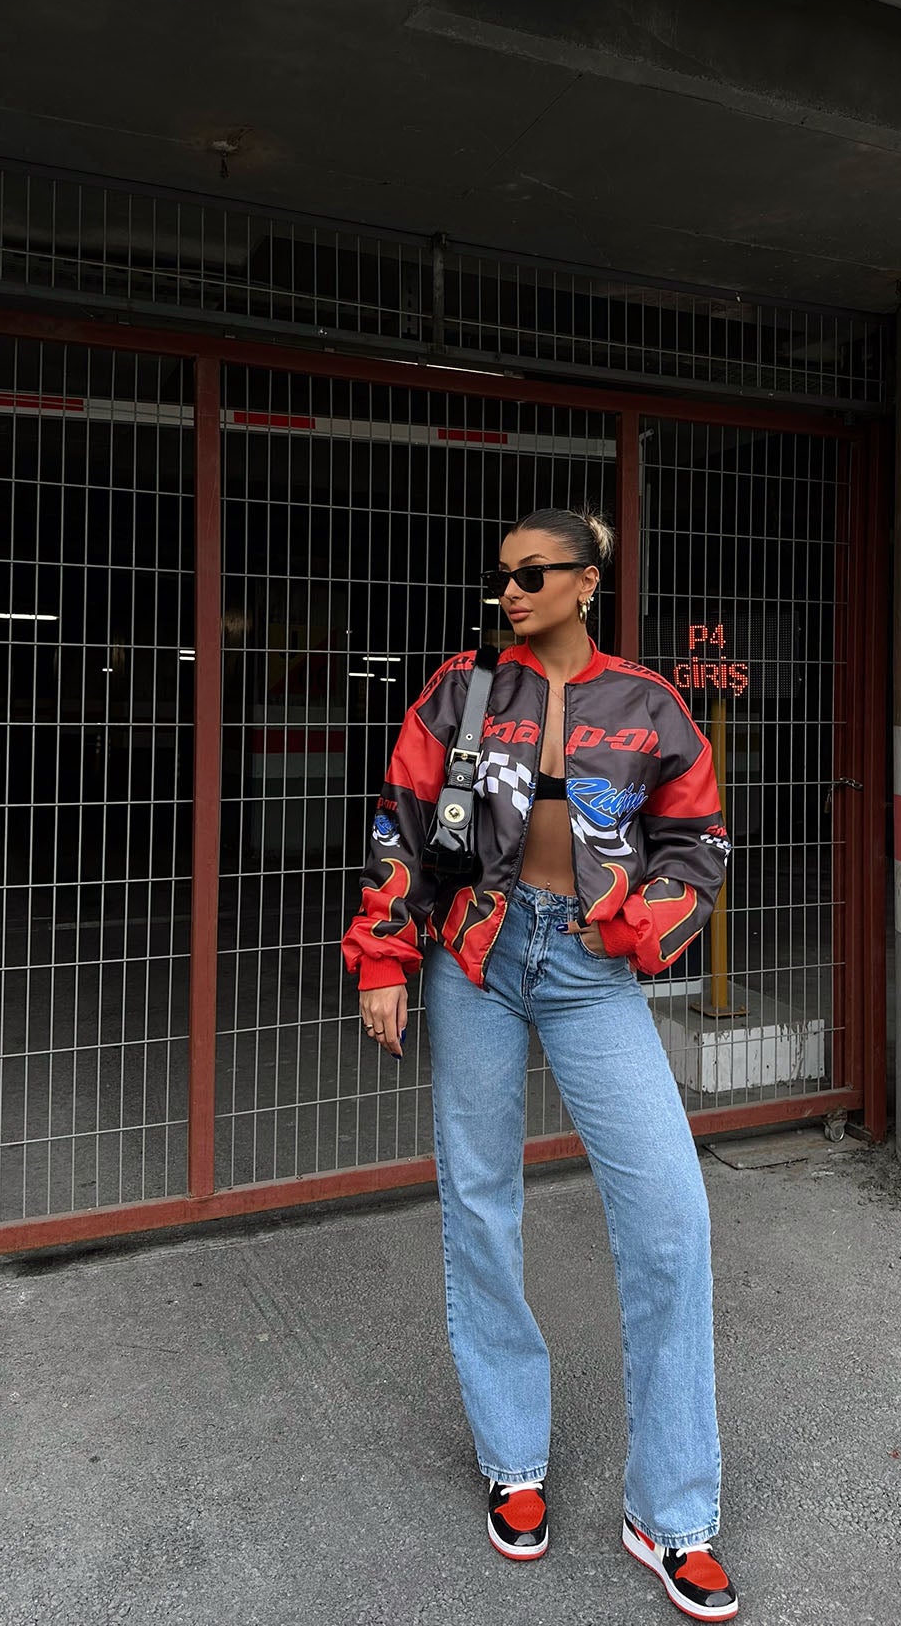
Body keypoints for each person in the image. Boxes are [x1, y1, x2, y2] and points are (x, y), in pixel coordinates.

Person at [342, 507, 738, 1621]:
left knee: (670, 1219)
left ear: (586, 581)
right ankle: (513, 1458)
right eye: (501, 575)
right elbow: (404, 821)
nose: (509, 591)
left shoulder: (648, 705)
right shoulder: (464, 691)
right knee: (480, 1203)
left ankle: (675, 1515)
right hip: (475, 957)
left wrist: (639, 924)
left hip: (589, 968)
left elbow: (697, 843)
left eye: (532, 573)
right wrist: (382, 954)